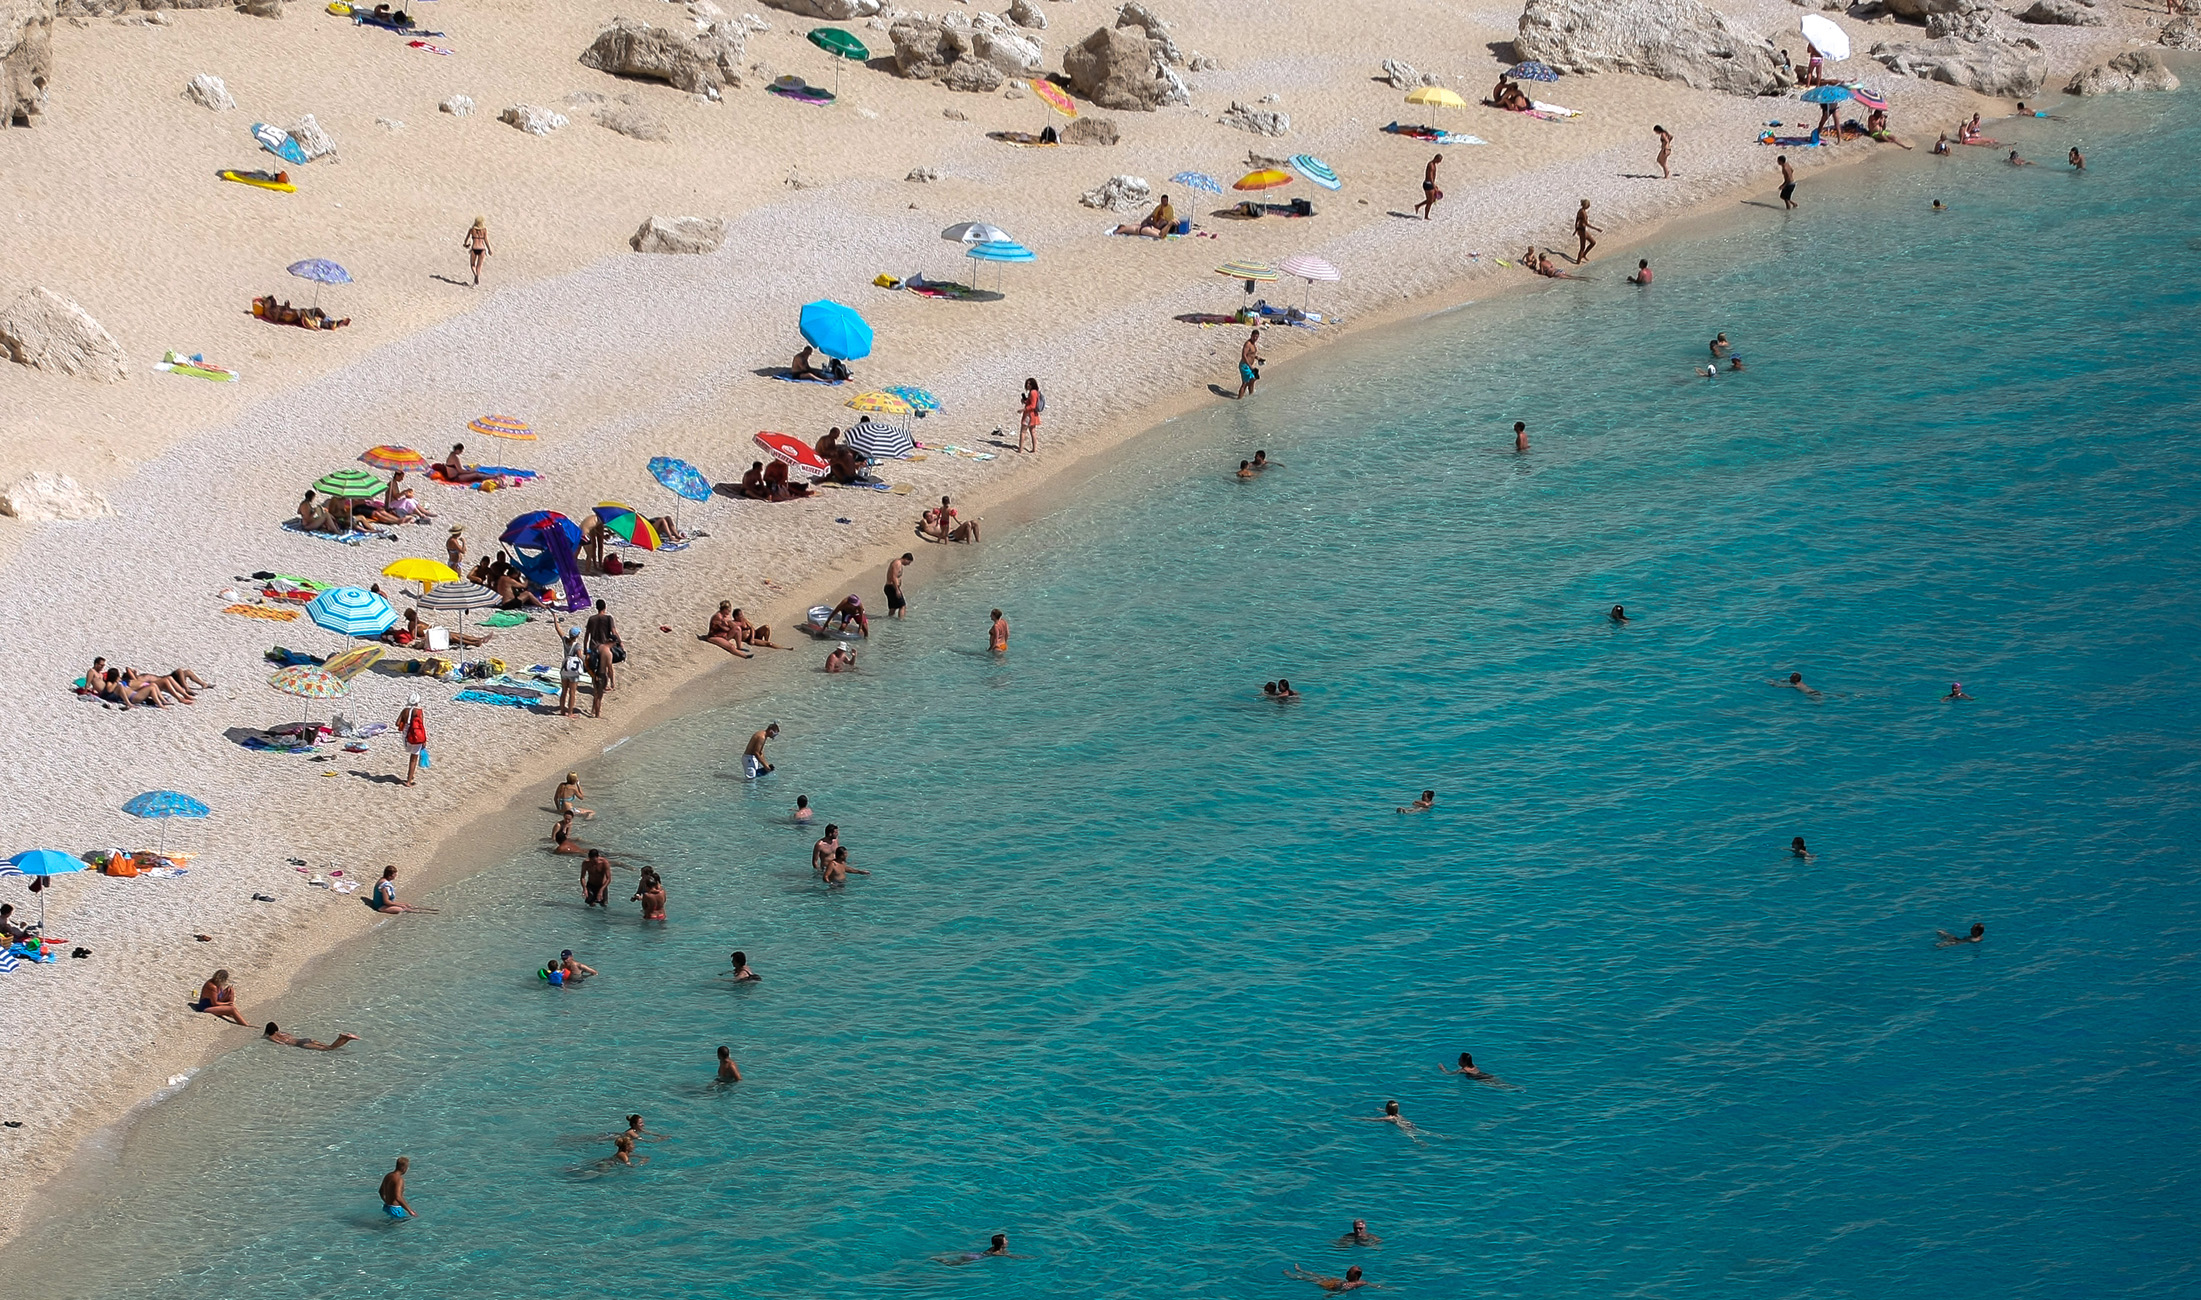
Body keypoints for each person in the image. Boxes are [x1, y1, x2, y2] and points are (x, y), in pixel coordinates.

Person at [395, 693, 427, 786]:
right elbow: (421, 725)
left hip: (406, 737)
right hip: (416, 736)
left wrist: (405, 722)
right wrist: (424, 739)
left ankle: (411, 776)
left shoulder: (405, 710)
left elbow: (397, 723)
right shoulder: (419, 711)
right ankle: (409, 781)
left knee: (412, 756)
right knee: (413, 758)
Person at [265, 1022, 358, 1051]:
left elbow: (280, 1043)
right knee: (327, 1046)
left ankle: (343, 1038)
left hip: (300, 1044)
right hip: (304, 1039)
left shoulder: (271, 1037)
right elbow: (290, 1035)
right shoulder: (281, 1033)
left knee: (329, 1048)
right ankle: (346, 1038)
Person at [557, 628, 585, 716]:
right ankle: (570, 713)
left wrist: (555, 618)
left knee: (564, 691)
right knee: (572, 693)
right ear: (577, 636)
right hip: (573, 671)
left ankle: (562, 710)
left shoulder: (565, 640)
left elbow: (559, 630)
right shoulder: (577, 645)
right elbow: (580, 656)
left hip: (565, 669)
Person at [1284, 1264, 1367, 1292]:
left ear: (1355, 1275)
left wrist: (1330, 1295)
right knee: (1320, 1276)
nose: (1347, 1273)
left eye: (1349, 1272)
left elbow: (1342, 1291)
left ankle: (1291, 1275)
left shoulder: (1349, 1285)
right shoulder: (1362, 1282)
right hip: (1336, 1282)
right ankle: (1300, 1270)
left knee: (1311, 1279)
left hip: (1330, 1286)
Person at [588, 637, 615, 719]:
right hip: (601, 674)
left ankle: (593, 710)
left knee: (596, 693)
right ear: (612, 643)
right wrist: (612, 681)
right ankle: (597, 715)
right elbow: (610, 669)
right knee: (599, 695)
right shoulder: (608, 653)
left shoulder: (598, 646)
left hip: (594, 673)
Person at [462, 216, 492, 287]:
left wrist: (466, 244)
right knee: (479, 266)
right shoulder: (484, 230)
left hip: (474, 248)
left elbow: (466, 239)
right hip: (482, 249)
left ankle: (475, 275)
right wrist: (489, 249)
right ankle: (476, 279)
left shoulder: (472, 230)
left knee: (472, 265)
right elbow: (486, 240)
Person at [1018, 378, 1044, 453]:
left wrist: (1023, 410)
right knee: (1032, 431)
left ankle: (1021, 449)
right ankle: (1034, 449)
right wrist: (1025, 401)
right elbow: (1032, 403)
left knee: (1023, 431)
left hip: (1029, 415)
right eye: (1027, 384)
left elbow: (1032, 405)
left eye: (1029, 384)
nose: (1028, 385)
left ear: (1033, 385)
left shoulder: (1032, 392)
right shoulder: (1035, 392)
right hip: (1033, 415)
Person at [885, 553, 914, 620]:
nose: (909, 564)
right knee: (902, 606)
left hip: (890, 587)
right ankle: (901, 622)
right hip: (892, 587)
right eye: (909, 562)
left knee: (893, 607)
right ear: (906, 559)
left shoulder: (897, 563)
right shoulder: (897, 563)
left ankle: (889, 620)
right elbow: (894, 577)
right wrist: (897, 589)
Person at [1415, 153, 1443, 220]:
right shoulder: (1430, 165)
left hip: (1430, 183)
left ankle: (1418, 206)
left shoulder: (1434, 165)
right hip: (1428, 184)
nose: (1439, 162)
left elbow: (1432, 178)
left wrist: (1435, 185)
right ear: (1436, 158)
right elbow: (1430, 177)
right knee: (1430, 201)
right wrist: (1434, 186)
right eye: (1439, 160)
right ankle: (1426, 216)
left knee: (1432, 200)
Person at [1237, 329, 1264, 399]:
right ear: (1251, 336)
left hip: (1249, 366)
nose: (1255, 338)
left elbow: (1251, 354)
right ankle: (1239, 400)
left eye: (1256, 337)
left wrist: (1258, 358)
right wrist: (1250, 366)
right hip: (1244, 366)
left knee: (1253, 380)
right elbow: (1244, 355)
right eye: (1254, 337)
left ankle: (1251, 397)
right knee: (1245, 383)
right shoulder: (1248, 344)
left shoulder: (1253, 344)